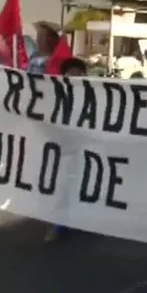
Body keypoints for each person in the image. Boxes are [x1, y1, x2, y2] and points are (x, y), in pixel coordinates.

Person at [45, 57, 88, 242]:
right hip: (66, 146)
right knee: (64, 184)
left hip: (86, 146)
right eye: (70, 74)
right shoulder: (59, 95)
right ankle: (59, 225)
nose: (74, 77)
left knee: (83, 183)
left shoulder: (93, 94)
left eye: (77, 73)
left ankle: (82, 221)